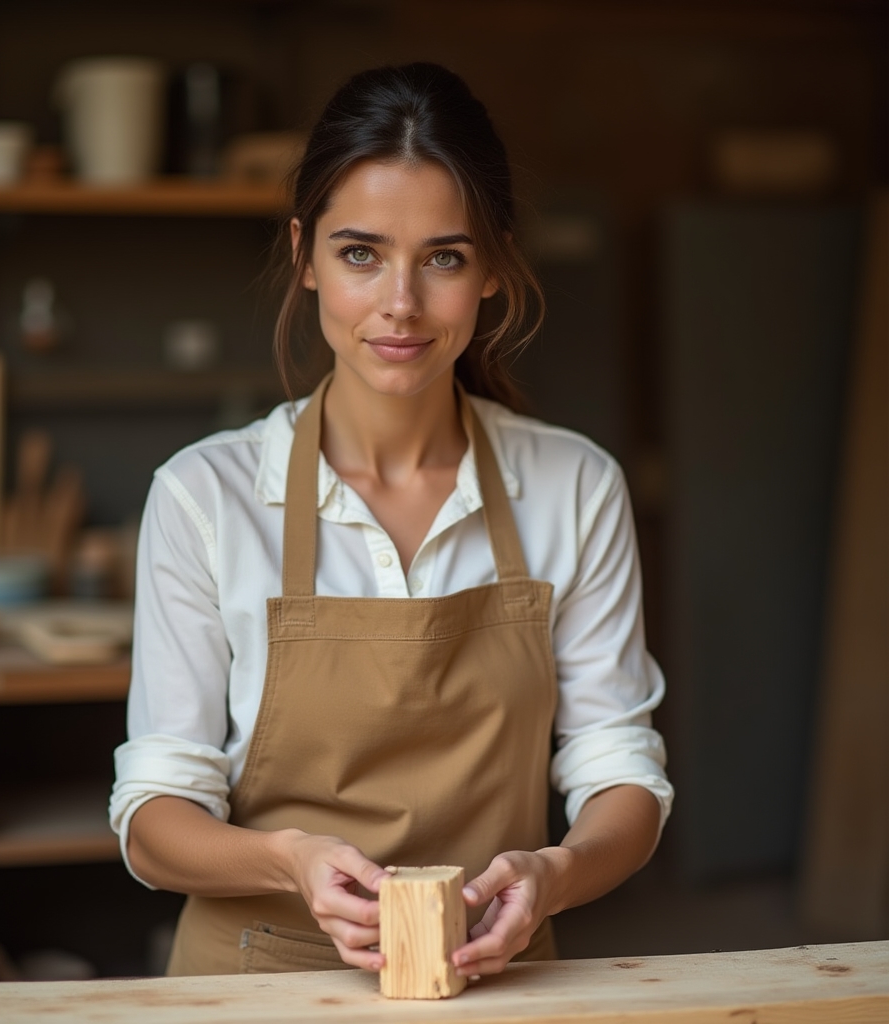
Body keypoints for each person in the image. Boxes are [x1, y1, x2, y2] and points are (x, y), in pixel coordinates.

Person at [109, 62, 673, 978]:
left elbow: (623, 775)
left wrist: (555, 875)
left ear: (493, 267)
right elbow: (153, 818)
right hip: (253, 979)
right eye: (361, 253)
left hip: (500, 976)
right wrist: (286, 861)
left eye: (444, 256)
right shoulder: (205, 495)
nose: (400, 303)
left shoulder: (576, 486)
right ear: (305, 255)